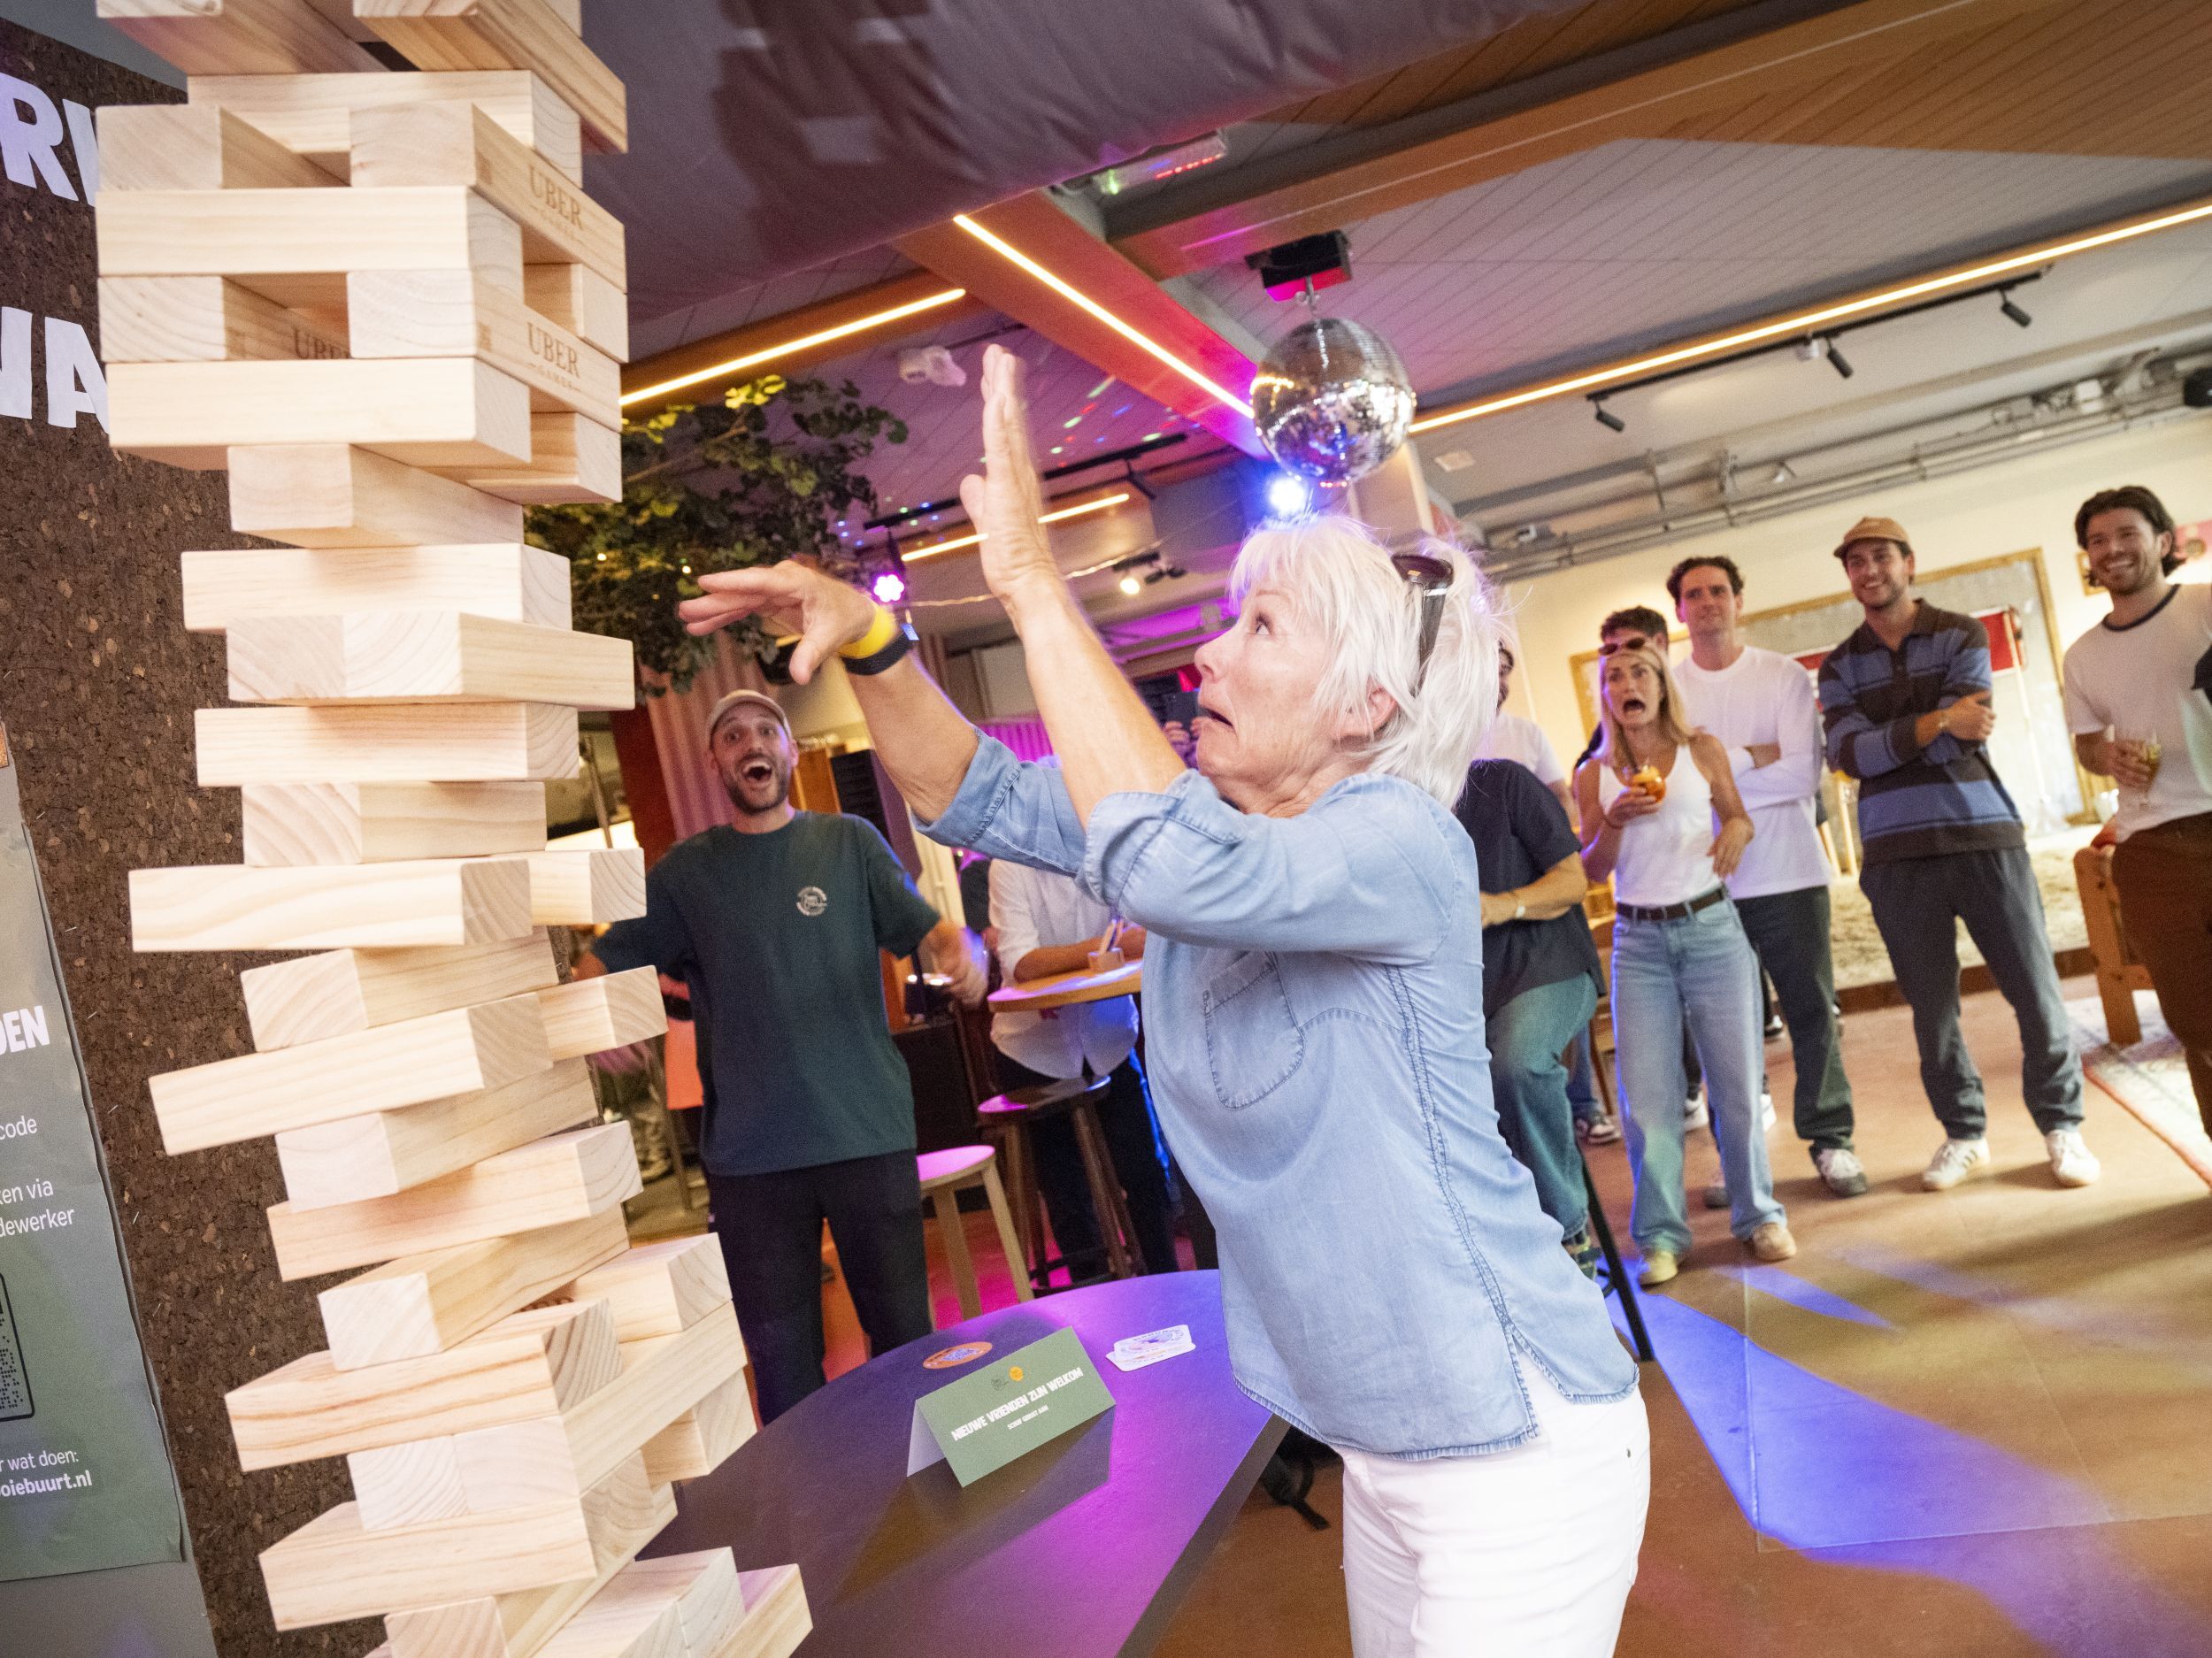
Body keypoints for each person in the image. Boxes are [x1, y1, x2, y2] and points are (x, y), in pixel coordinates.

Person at [680, 345, 1647, 1657]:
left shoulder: (1403, 843)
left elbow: (1171, 863)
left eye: (1259, 630)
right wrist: (871, 639)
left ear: (1365, 705)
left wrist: (1034, 584)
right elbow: (970, 787)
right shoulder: (1209, 829)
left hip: (1517, 1436)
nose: (1206, 655)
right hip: (1388, 1444)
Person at [585, 689, 987, 1423]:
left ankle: (931, 1484)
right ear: (715, 762)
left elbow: (929, 931)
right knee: (782, 1365)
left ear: (789, 751)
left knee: (907, 1345)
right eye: (732, 736)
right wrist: (597, 1020)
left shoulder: (849, 843)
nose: (752, 744)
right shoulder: (686, 874)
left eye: (766, 730)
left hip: (864, 1132)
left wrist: (961, 947)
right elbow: (602, 962)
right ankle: (814, 1497)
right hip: (752, 1161)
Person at [1817, 516, 2097, 1190]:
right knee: (1932, 1009)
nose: (1868, 571)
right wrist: (1939, 718)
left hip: (1983, 836)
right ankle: (1965, 1133)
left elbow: (1968, 737)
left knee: (2035, 990)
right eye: (1856, 562)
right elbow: (1851, 757)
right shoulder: (1837, 666)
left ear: (1908, 562)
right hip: (1894, 854)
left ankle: (2063, 1127)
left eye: (1881, 557)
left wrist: (1905, 735)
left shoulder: (1962, 633)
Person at [1575, 643, 1793, 1286]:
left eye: (1640, 672)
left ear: (1661, 685)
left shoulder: (1703, 749)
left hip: (1712, 929)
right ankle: (1661, 1237)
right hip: (1639, 944)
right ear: (1606, 696)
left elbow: (1739, 818)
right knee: (1646, 1100)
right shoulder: (1594, 774)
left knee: (1738, 1085)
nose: (1628, 683)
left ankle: (1759, 1216)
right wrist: (1614, 821)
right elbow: (1592, 868)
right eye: (1614, 677)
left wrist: (1737, 833)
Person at [1670, 555, 1863, 1197]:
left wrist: (1714, 775)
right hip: (1707, 883)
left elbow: (1803, 775)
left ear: (1738, 600)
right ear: (1680, 610)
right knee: (1726, 1031)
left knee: (1812, 1012)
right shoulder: (1671, 690)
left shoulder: (1781, 674)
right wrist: (1754, 757)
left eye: (1718, 590)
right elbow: (1672, 788)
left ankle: (1832, 1141)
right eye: (1694, 594)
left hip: (1789, 874)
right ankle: (1739, 1158)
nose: (1708, 602)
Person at [2062, 485, 2212, 1132]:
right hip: (2152, 847)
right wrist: (2106, 756)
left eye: (2127, 533)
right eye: (2098, 541)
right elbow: (2087, 744)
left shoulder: (2206, 606)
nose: (2112, 549)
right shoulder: (2083, 656)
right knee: (2196, 1018)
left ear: (2163, 540)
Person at [987, 851, 1179, 1276]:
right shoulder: (1010, 865)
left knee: (1146, 1174)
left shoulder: (1106, 851)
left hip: (1109, 1039)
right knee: (1069, 1198)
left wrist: (1113, 945)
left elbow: (1145, 929)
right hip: (1034, 1052)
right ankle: (1092, 1297)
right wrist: (1105, 947)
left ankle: (1166, 1284)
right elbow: (1022, 963)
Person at [1454, 758, 1605, 1271]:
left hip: (1548, 967)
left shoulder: (1502, 781)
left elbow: (1572, 882)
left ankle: (1567, 1232)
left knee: (1515, 1064)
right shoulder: (1393, 809)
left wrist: (1504, 904)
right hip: (1464, 997)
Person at [1474, 643, 1571, 810]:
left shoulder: (1529, 732)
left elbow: (1562, 798)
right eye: (1489, 672)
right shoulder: (1445, 735)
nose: (1497, 682)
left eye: (1502, 673)